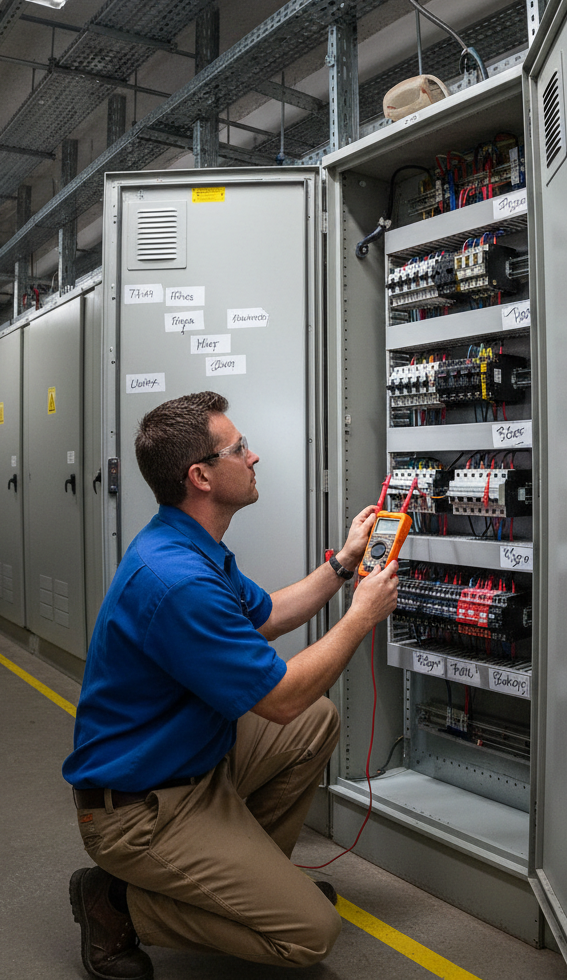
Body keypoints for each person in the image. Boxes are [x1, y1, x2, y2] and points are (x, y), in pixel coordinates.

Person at [63, 390, 399, 980]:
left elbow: (266, 614)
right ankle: (117, 903)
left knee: (317, 721)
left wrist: (345, 564)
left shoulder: (190, 544)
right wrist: (361, 616)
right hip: (139, 811)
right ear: (202, 476)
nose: (254, 457)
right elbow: (280, 698)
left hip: (189, 764)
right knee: (310, 936)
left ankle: (245, 885)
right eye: (239, 448)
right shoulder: (176, 579)